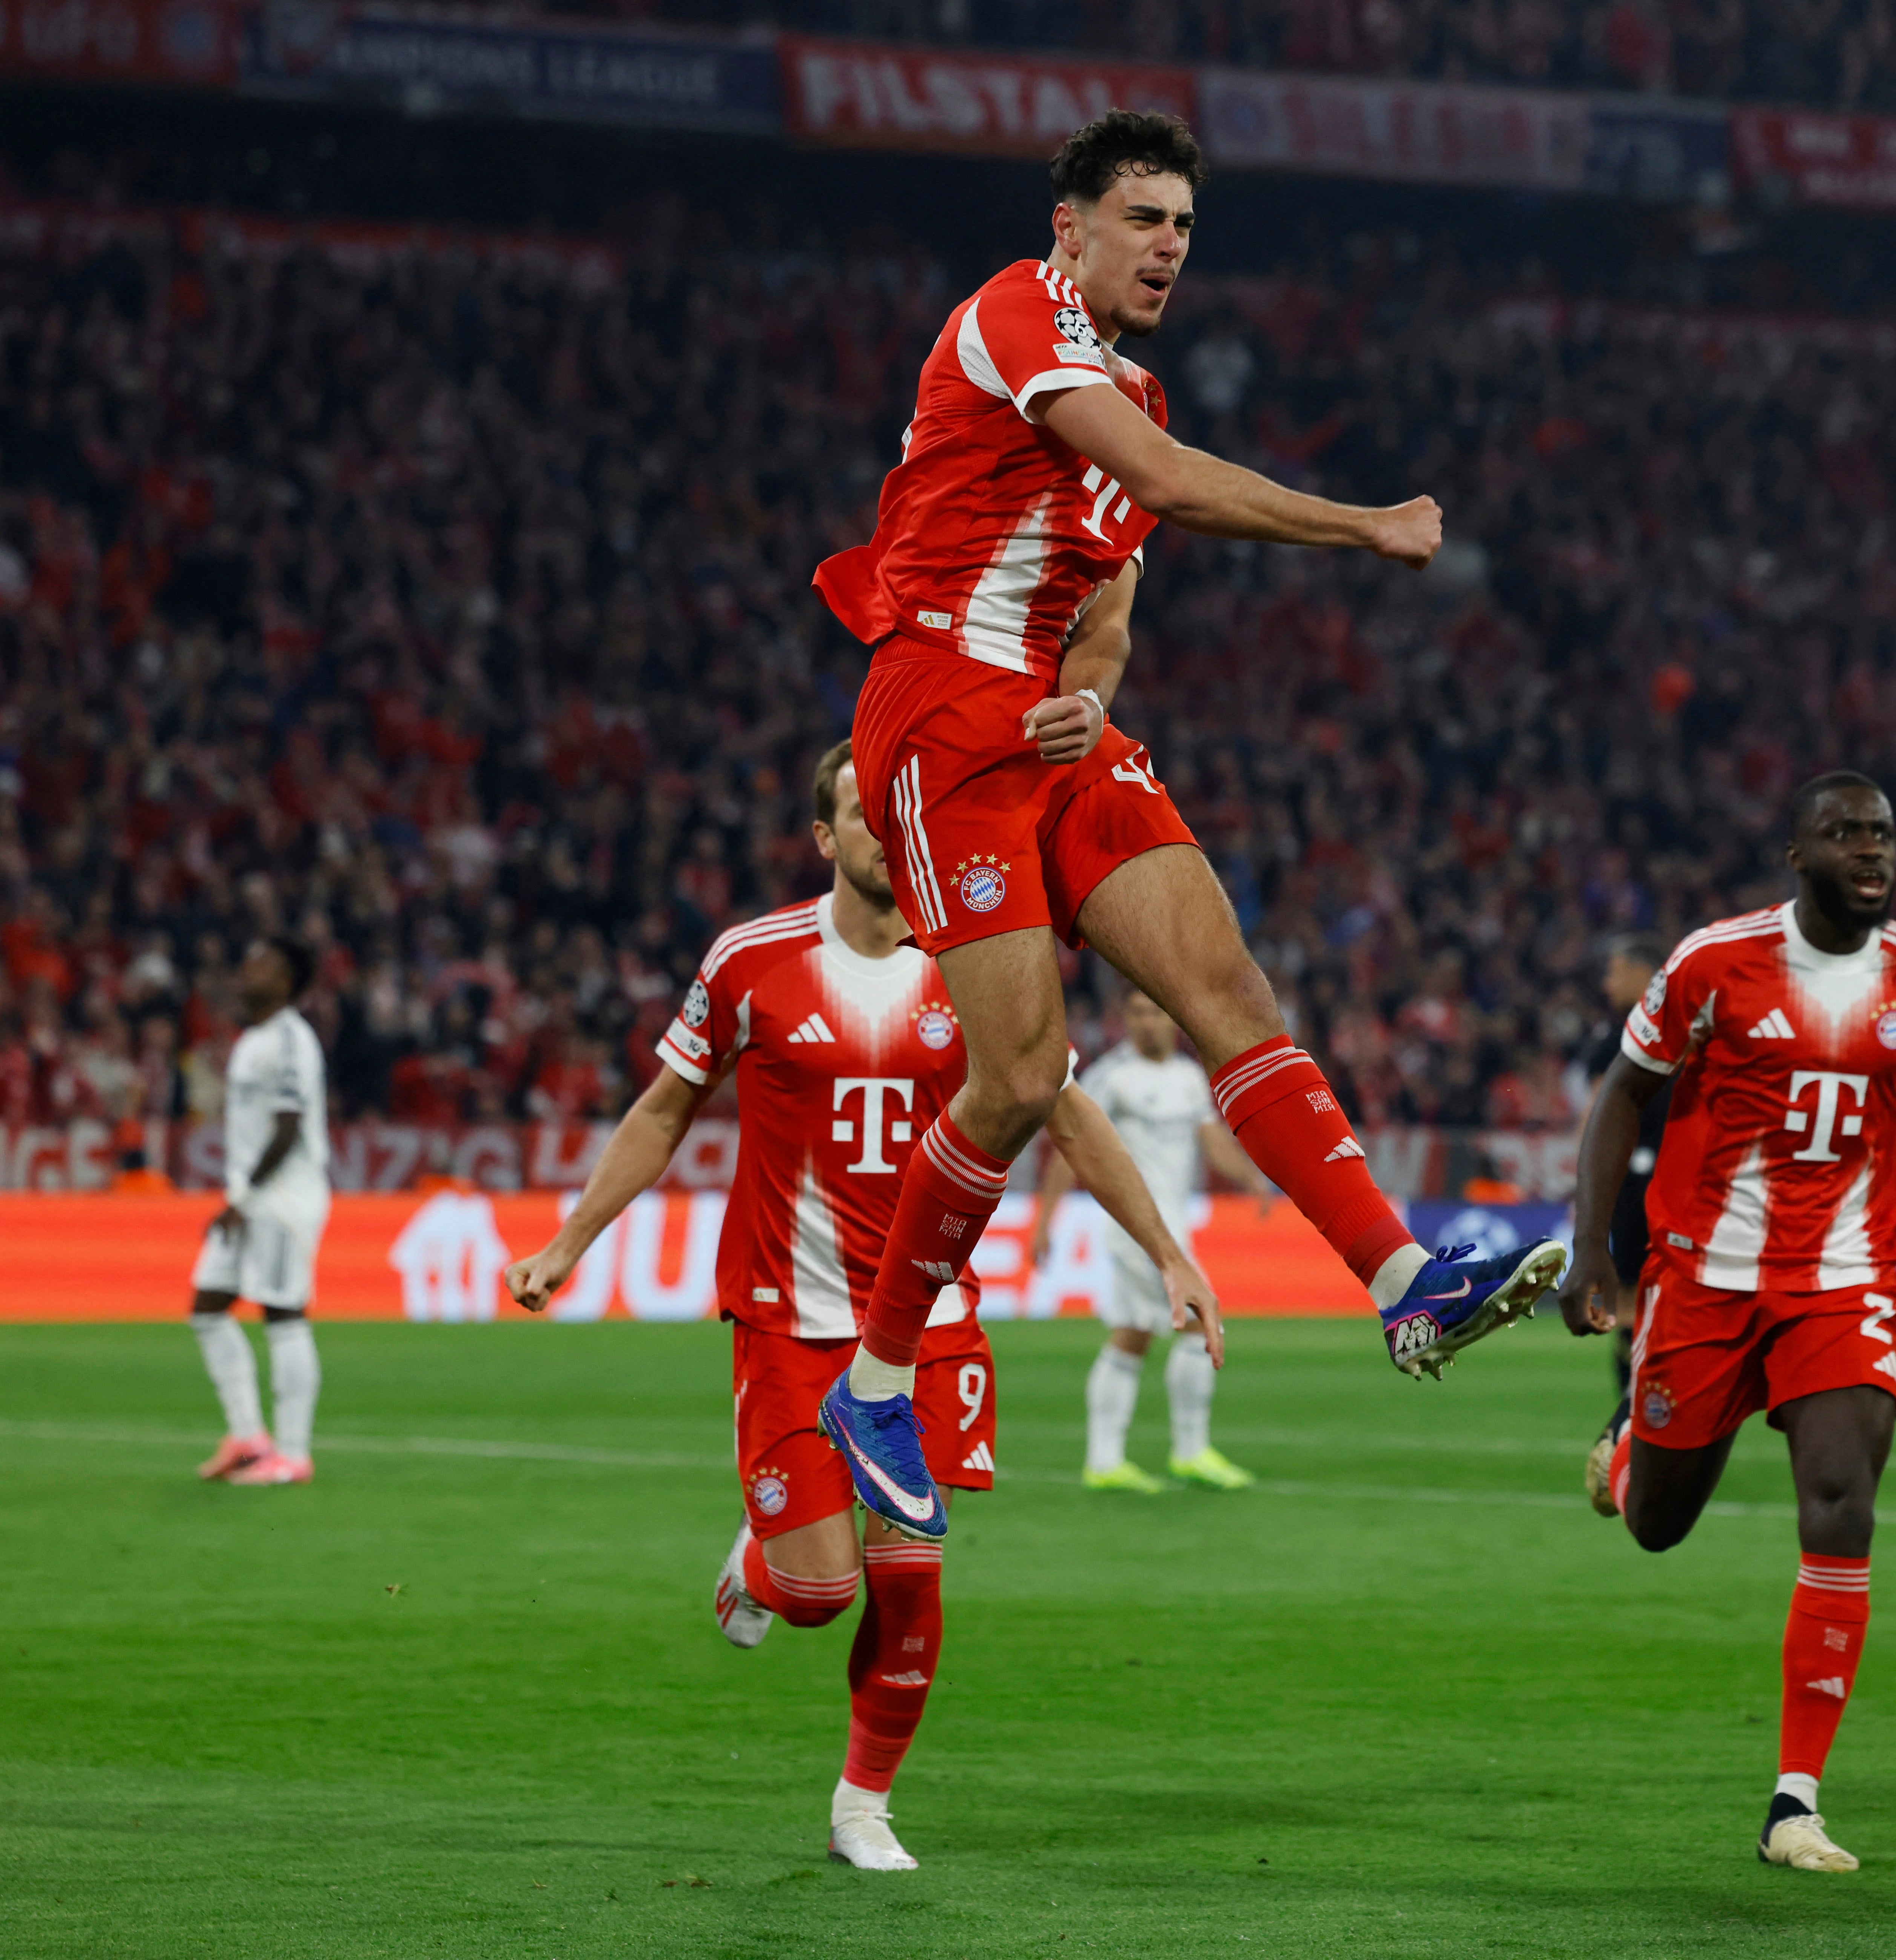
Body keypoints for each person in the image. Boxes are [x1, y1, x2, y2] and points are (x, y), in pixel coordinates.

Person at [805, 108, 1565, 1537]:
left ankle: (1403, 1284)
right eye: (1142, 219)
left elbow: (1105, 619)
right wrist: (1365, 524)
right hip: (940, 713)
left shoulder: (1134, 392)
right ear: (1071, 228)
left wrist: (1087, 703)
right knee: (1019, 1076)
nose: (1167, 247)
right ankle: (875, 1382)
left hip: (1048, 726)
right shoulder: (1012, 317)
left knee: (1227, 986)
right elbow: (1161, 485)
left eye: (1183, 227)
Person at [501, 742, 1217, 1872]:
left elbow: (1069, 1118)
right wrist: (568, 1240)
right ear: (823, 836)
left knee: (913, 1566)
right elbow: (663, 1108)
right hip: (790, 1319)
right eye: (858, 812)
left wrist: (1168, 1250)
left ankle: (862, 1807)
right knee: (819, 1589)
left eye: (895, 808)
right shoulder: (750, 960)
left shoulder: (982, 961)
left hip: (928, 1321)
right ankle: (762, 1562)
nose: (883, 828)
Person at [1558, 772, 1896, 1875]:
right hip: (1703, 1276)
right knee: (1657, 1524)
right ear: (1796, 853)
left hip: (1846, 1278)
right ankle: (1630, 1450)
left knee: (1840, 1497)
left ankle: (1793, 1801)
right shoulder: (1712, 961)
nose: (1869, 849)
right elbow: (1622, 1092)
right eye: (1844, 832)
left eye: (1881, 833)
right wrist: (1593, 1249)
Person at [1029, 989, 1273, 1493]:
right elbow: (1070, 1145)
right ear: (1126, 1019)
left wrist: (1249, 1177)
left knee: (1132, 1335)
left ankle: (1104, 1461)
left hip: (1173, 1227)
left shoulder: (1187, 1077)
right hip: (1134, 1228)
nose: (1147, 1022)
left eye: (1156, 1012)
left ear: (1172, 1019)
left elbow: (1210, 1139)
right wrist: (1045, 1221)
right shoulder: (1110, 1077)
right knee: (1200, 1322)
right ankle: (1190, 1451)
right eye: (1137, 1013)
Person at [188, 935, 329, 1487]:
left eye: (263, 965)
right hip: (249, 1197)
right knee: (207, 1306)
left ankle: (293, 1454)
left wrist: (241, 1199)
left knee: (283, 1314)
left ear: (288, 981)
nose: (248, 972)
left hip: (285, 1198)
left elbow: (288, 1129)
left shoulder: (293, 1040)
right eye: (247, 962)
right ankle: (248, 1437)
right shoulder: (251, 1040)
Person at [1580, 932, 1676, 1417]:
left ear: (1644, 973)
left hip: (1637, 1181)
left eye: (1615, 971)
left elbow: (1597, 1118)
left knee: (1629, 1296)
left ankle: (1634, 1406)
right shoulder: (1692, 1026)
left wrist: (1587, 1180)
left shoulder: (1619, 1037)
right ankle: (1652, 1397)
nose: (1607, 983)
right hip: (1680, 1181)